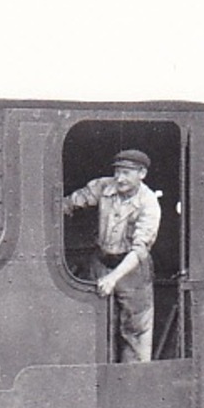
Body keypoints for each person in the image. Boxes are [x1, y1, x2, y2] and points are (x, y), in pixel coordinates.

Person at [63, 148, 161, 362]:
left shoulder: (149, 203)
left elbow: (140, 249)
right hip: (101, 261)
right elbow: (70, 202)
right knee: (97, 323)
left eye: (126, 173)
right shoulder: (103, 186)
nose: (119, 178)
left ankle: (132, 385)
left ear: (141, 173)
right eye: (117, 172)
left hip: (132, 270)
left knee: (135, 332)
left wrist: (113, 278)